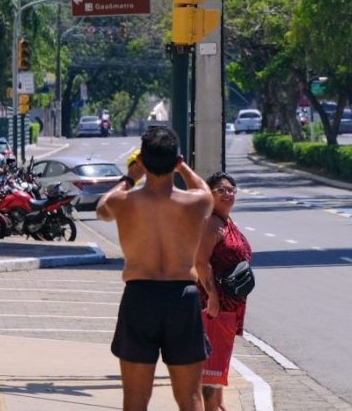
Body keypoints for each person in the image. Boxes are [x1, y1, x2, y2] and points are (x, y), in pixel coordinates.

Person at [97, 126, 214, 411]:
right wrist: (182, 165)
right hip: (181, 295)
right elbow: (205, 189)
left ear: (143, 162)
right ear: (175, 161)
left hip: (140, 295)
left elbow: (101, 207)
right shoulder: (196, 202)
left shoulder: (123, 202)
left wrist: (130, 177)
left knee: (135, 398)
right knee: (190, 397)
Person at [195, 172, 252, 411]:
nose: (228, 193)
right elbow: (201, 262)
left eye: (231, 189)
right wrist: (213, 297)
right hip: (214, 306)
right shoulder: (212, 223)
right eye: (221, 190)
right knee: (211, 368)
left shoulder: (226, 221)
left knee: (218, 362)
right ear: (210, 194)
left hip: (230, 306)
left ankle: (217, 405)